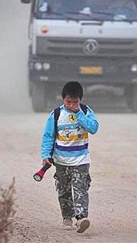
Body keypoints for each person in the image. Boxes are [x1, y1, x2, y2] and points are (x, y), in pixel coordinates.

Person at [41, 81, 99, 233]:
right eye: (68, 101)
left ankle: (81, 218)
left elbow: (93, 128)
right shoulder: (56, 115)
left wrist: (79, 113)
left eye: (75, 102)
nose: (72, 105)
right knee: (64, 190)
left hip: (81, 160)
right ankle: (67, 217)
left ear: (80, 100)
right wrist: (46, 155)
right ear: (63, 99)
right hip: (61, 160)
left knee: (81, 188)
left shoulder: (85, 111)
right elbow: (48, 136)